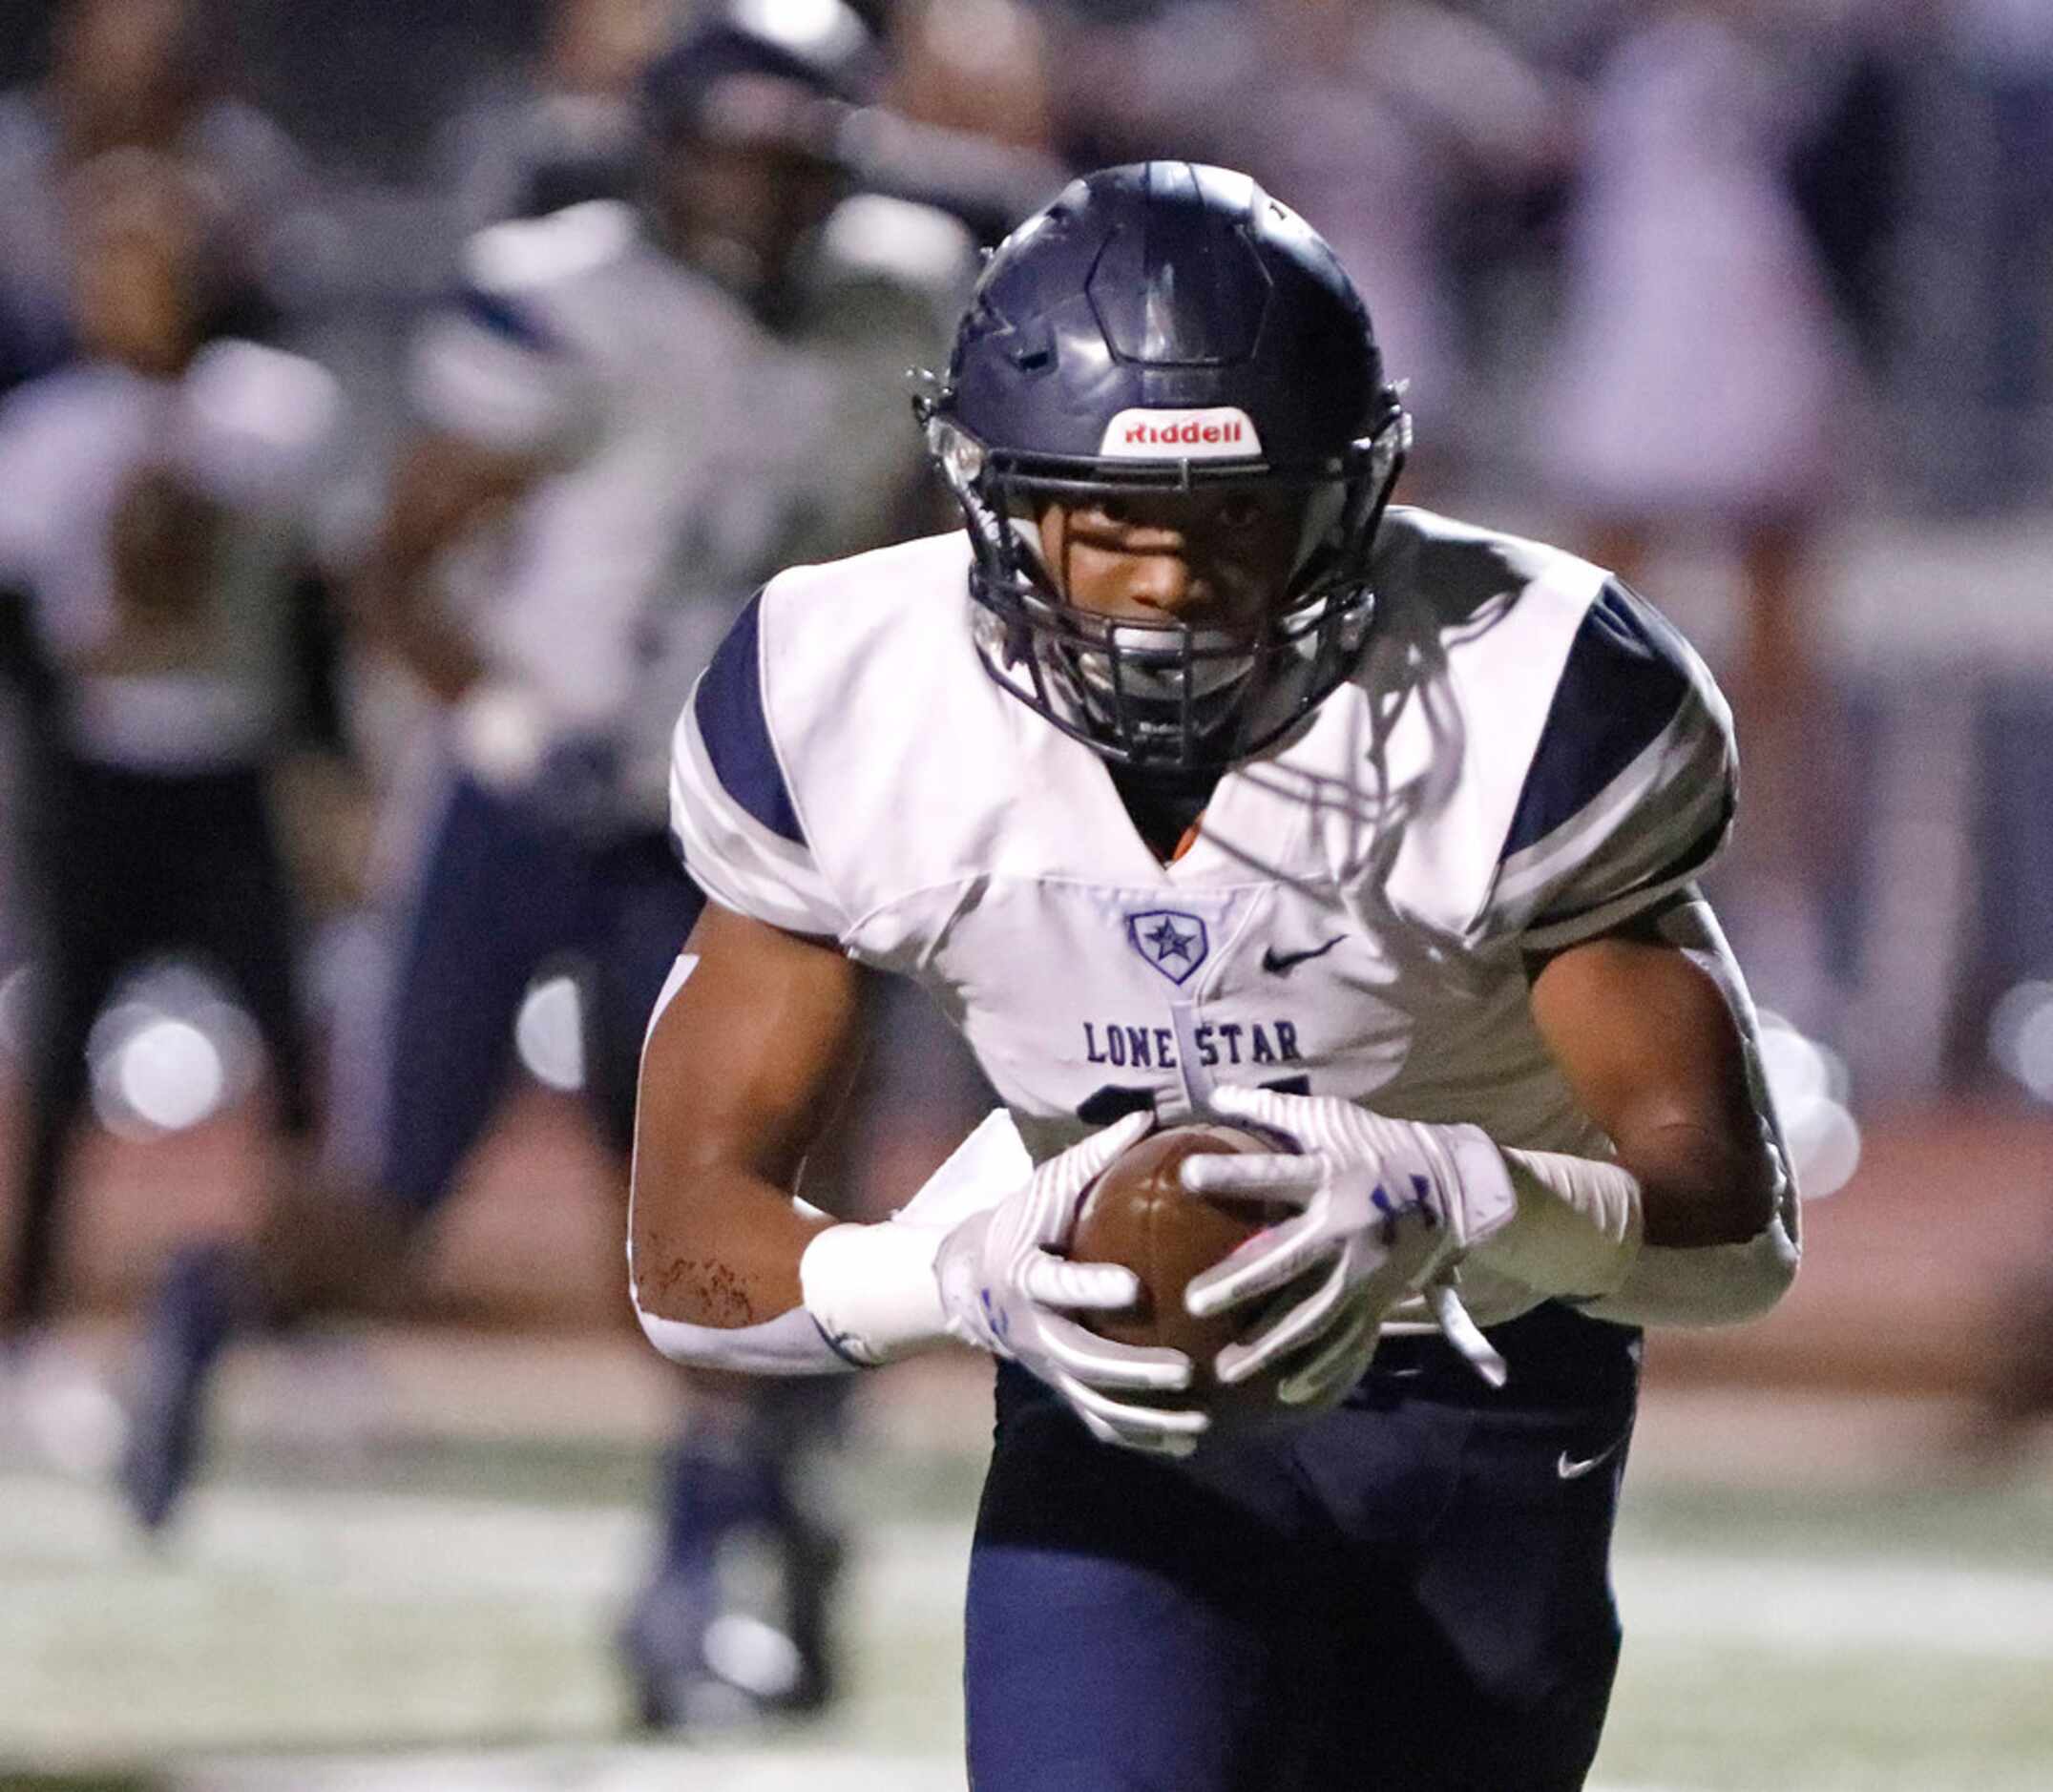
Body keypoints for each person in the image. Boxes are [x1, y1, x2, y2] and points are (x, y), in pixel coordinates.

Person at [630, 161, 1802, 1789]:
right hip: (1115, 1395)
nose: (1168, 584)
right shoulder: (838, 693)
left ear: (1350, 494)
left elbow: (1733, 1234)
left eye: (1232, 518)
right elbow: (689, 1256)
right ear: (994, 499)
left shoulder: (1535, 689)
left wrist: (1457, 1191)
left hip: (1482, 1384)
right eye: (1109, 523)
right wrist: (962, 1273)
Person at [115, 0, 976, 1730]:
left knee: (740, 1205)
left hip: (736, 813)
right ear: (662, 152)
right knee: (396, 1196)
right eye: (733, 152)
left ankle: (711, 1562)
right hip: (531, 796)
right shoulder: (566, 290)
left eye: (797, 157)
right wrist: (504, 713)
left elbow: (913, 534)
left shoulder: (907, 280)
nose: (763, 192)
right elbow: (402, 559)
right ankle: (224, 1293)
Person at [0, 148, 339, 1358]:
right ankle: (31, 1314)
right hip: (97, 777)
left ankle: (301, 1311)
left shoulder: (275, 410)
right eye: (115, 263)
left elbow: (312, 614)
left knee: (293, 1048)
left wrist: (327, 771)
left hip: (230, 766)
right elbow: (31, 642)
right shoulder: (44, 433)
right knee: (58, 1054)